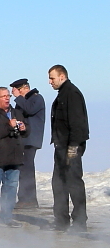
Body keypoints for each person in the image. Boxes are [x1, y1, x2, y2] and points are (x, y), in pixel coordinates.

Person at [48, 64, 89, 231]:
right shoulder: (63, 94)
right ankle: (61, 221)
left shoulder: (72, 94)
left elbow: (78, 123)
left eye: (52, 78)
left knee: (74, 183)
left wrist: (73, 147)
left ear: (62, 76)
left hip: (70, 147)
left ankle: (79, 223)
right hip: (60, 147)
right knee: (58, 183)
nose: (50, 82)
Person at [0, 87, 28, 227]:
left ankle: (7, 217)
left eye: (8, 95)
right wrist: (9, 126)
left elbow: (26, 132)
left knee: (11, 189)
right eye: (3, 96)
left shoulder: (16, 113)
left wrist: (24, 128)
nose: (7, 98)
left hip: (14, 159)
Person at [10, 78, 46, 208]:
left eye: (18, 90)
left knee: (27, 169)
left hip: (31, 139)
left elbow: (30, 110)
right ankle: (24, 198)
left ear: (26, 88)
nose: (16, 93)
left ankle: (29, 199)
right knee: (23, 168)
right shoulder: (23, 101)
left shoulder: (36, 98)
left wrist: (18, 98)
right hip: (23, 139)